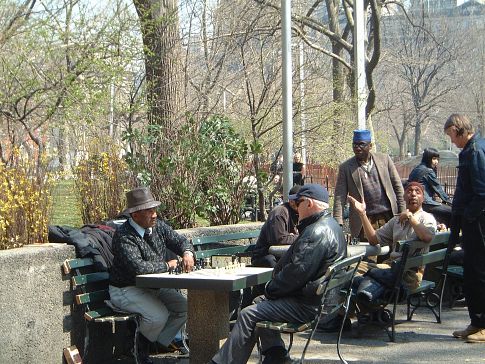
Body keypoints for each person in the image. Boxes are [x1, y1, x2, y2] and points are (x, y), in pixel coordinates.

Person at [210, 184, 346, 364]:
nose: (296, 207)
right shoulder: (331, 225)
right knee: (259, 304)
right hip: (321, 301)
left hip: (309, 306)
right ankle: (276, 354)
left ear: (310, 203)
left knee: (248, 314)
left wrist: (270, 289)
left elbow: (295, 274)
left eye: (299, 202)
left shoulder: (316, 232)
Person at [109, 187, 195, 363]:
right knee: (159, 315)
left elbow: (180, 241)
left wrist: (187, 253)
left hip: (152, 287)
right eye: (149, 211)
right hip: (125, 289)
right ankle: (138, 350)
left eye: (155, 209)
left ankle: (152, 344)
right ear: (135, 215)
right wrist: (166, 265)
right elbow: (138, 267)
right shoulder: (124, 235)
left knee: (184, 308)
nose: (154, 214)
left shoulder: (158, 227)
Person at [348, 182, 437, 302]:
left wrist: (410, 217)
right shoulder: (396, 220)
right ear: (404, 196)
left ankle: (368, 306)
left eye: (417, 192)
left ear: (423, 198)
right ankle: (367, 304)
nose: (413, 194)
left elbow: (427, 237)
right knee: (349, 267)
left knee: (362, 277)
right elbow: (374, 240)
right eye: (409, 191)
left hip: (410, 273)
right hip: (390, 268)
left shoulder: (427, 218)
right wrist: (362, 214)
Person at [443, 113, 485, 343]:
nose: (451, 141)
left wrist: (468, 216)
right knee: (471, 274)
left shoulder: (476, 151)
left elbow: (482, 192)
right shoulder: (471, 150)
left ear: (459, 129)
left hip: (478, 222)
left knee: (479, 273)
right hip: (471, 222)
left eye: (451, 135)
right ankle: (476, 322)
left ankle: (483, 324)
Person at [333, 129, 405, 241]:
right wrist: (338, 222)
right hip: (364, 221)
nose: (357, 148)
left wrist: (402, 211)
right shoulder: (346, 167)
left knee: (390, 254)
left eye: (361, 144)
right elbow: (339, 197)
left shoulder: (384, 160)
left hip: (389, 216)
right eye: (355, 145)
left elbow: (398, 187)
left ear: (370, 145)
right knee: (369, 256)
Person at [251, 185, 301, 268]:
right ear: (292, 202)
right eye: (301, 202)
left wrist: (292, 237)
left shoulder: (299, 213)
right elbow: (279, 240)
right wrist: (299, 237)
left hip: (284, 254)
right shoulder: (280, 213)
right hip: (265, 255)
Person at [408, 148, 452, 226]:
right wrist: (450, 202)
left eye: (437, 159)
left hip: (414, 203)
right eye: (434, 159)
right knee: (453, 212)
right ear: (428, 158)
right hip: (426, 203)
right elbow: (438, 188)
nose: (436, 162)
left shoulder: (416, 169)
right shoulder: (428, 171)